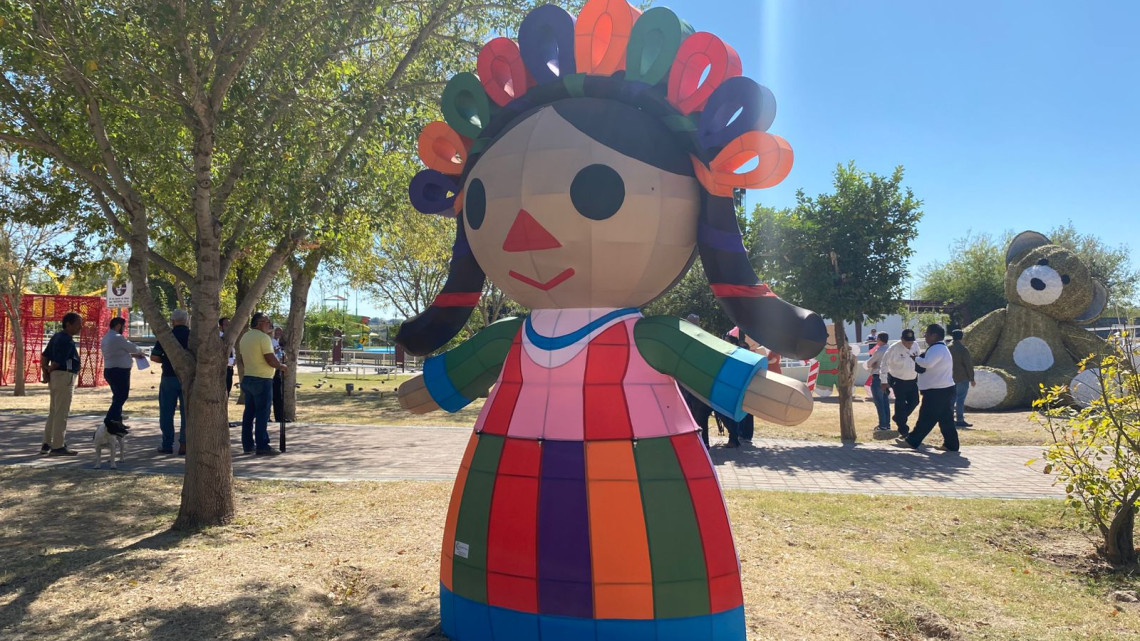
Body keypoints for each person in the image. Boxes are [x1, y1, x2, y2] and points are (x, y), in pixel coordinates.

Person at [894, 324, 959, 451]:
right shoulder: (939, 348)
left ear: (934, 335)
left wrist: (916, 359)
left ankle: (912, 441)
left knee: (926, 417)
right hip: (943, 389)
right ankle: (951, 444)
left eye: (927, 334)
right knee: (946, 419)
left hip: (937, 391)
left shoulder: (937, 348)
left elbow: (928, 363)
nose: (925, 336)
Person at [239, 312, 286, 455]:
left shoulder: (245, 337)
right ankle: (262, 444)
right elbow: (270, 358)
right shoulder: (264, 338)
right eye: (267, 322)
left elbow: (242, 358)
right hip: (262, 379)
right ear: (259, 323)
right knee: (262, 413)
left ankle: (247, 444)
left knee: (249, 413)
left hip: (248, 377)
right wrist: (281, 366)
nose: (269, 325)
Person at [40, 312, 83, 456]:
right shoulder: (66, 340)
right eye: (78, 324)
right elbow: (58, 361)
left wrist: (46, 372)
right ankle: (58, 445)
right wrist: (50, 369)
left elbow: (45, 356)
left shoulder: (56, 336)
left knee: (54, 411)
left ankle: (47, 443)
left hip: (56, 377)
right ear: (68, 324)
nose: (80, 327)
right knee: (61, 412)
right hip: (64, 376)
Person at [150, 309, 190, 455]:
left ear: (172, 321)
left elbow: (154, 357)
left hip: (168, 376)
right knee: (187, 413)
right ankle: (184, 444)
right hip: (187, 378)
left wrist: (168, 361)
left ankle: (167, 444)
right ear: (187, 320)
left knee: (166, 412)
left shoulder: (167, 336)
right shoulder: (193, 336)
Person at [100, 317, 144, 432]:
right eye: (124, 326)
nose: (124, 329)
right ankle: (110, 419)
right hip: (119, 371)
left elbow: (118, 352)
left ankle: (117, 421)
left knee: (117, 396)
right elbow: (132, 348)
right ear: (118, 325)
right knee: (121, 396)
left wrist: (133, 355)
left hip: (110, 370)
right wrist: (140, 351)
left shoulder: (106, 337)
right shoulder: (117, 337)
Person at [880, 328, 920, 436]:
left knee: (915, 401)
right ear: (902, 339)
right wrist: (883, 381)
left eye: (911, 341)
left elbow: (919, 360)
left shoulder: (915, 345)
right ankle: (903, 429)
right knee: (900, 404)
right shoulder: (894, 348)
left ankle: (898, 418)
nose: (910, 344)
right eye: (907, 342)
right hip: (898, 380)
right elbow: (884, 364)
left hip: (912, 379)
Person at [948, 328, 976, 427]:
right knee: (960, 399)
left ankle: (949, 419)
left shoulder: (948, 348)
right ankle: (960, 419)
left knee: (951, 400)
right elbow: (968, 365)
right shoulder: (963, 349)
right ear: (962, 337)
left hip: (950, 377)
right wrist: (972, 379)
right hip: (962, 377)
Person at [865, 332, 892, 431]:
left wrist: (872, 365)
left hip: (878, 376)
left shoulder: (880, 350)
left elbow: (869, 363)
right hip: (888, 376)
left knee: (879, 402)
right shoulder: (891, 349)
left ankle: (882, 424)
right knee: (885, 402)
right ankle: (887, 424)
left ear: (879, 339)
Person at [271, 325, 286, 423]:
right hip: (272, 369)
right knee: (270, 394)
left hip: (278, 369)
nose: (278, 333)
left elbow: (280, 355)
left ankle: (279, 417)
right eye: (276, 331)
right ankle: (267, 417)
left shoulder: (279, 342)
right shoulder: (270, 341)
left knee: (278, 395)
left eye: (280, 331)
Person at [220, 317, 235, 396]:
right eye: (226, 325)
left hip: (230, 369)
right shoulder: (220, 337)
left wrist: (234, 359)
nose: (229, 327)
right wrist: (232, 361)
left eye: (230, 325)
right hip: (223, 369)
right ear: (221, 326)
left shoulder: (231, 337)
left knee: (227, 391)